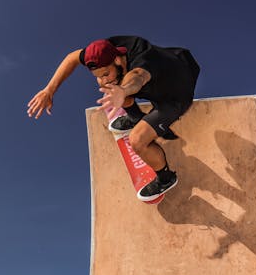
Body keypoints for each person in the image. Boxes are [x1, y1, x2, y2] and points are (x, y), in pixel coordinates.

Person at [27, 36, 200, 201]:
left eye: (105, 73)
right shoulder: (104, 50)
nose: (102, 80)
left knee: (137, 140)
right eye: (98, 75)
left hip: (175, 95)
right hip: (165, 68)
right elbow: (71, 58)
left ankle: (166, 178)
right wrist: (49, 90)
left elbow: (139, 77)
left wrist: (123, 91)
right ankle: (133, 118)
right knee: (111, 86)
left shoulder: (142, 62)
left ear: (117, 60)